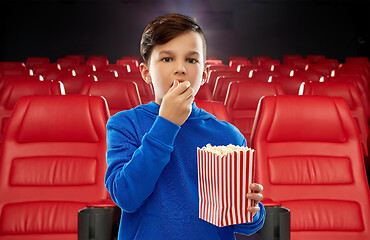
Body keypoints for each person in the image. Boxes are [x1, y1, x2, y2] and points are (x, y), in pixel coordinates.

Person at [105, 13, 265, 240]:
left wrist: (253, 211)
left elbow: (244, 223)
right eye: (167, 59)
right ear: (146, 73)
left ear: (205, 74)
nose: (180, 69)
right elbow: (126, 197)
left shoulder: (229, 135)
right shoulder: (124, 124)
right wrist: (166, 124)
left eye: (191, 60)